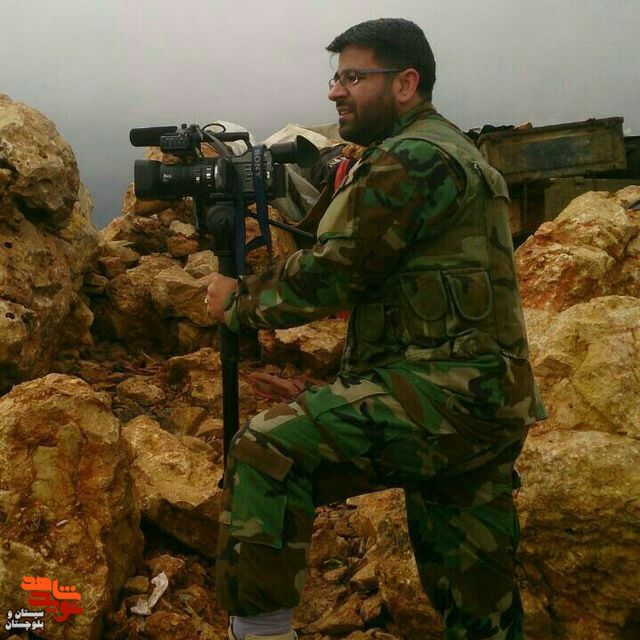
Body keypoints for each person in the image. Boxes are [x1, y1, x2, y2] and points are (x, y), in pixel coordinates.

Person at [206, 18, 545, 640]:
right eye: (336, 77)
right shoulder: (447, 148)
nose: (335, 91)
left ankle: (260, 633)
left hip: (447, 396)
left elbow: (335, 272)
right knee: (476, 597)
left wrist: (237, 302)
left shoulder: (412, 158)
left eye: (353, 77)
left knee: (266, 448)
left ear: (405, 83)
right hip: (488, 399)